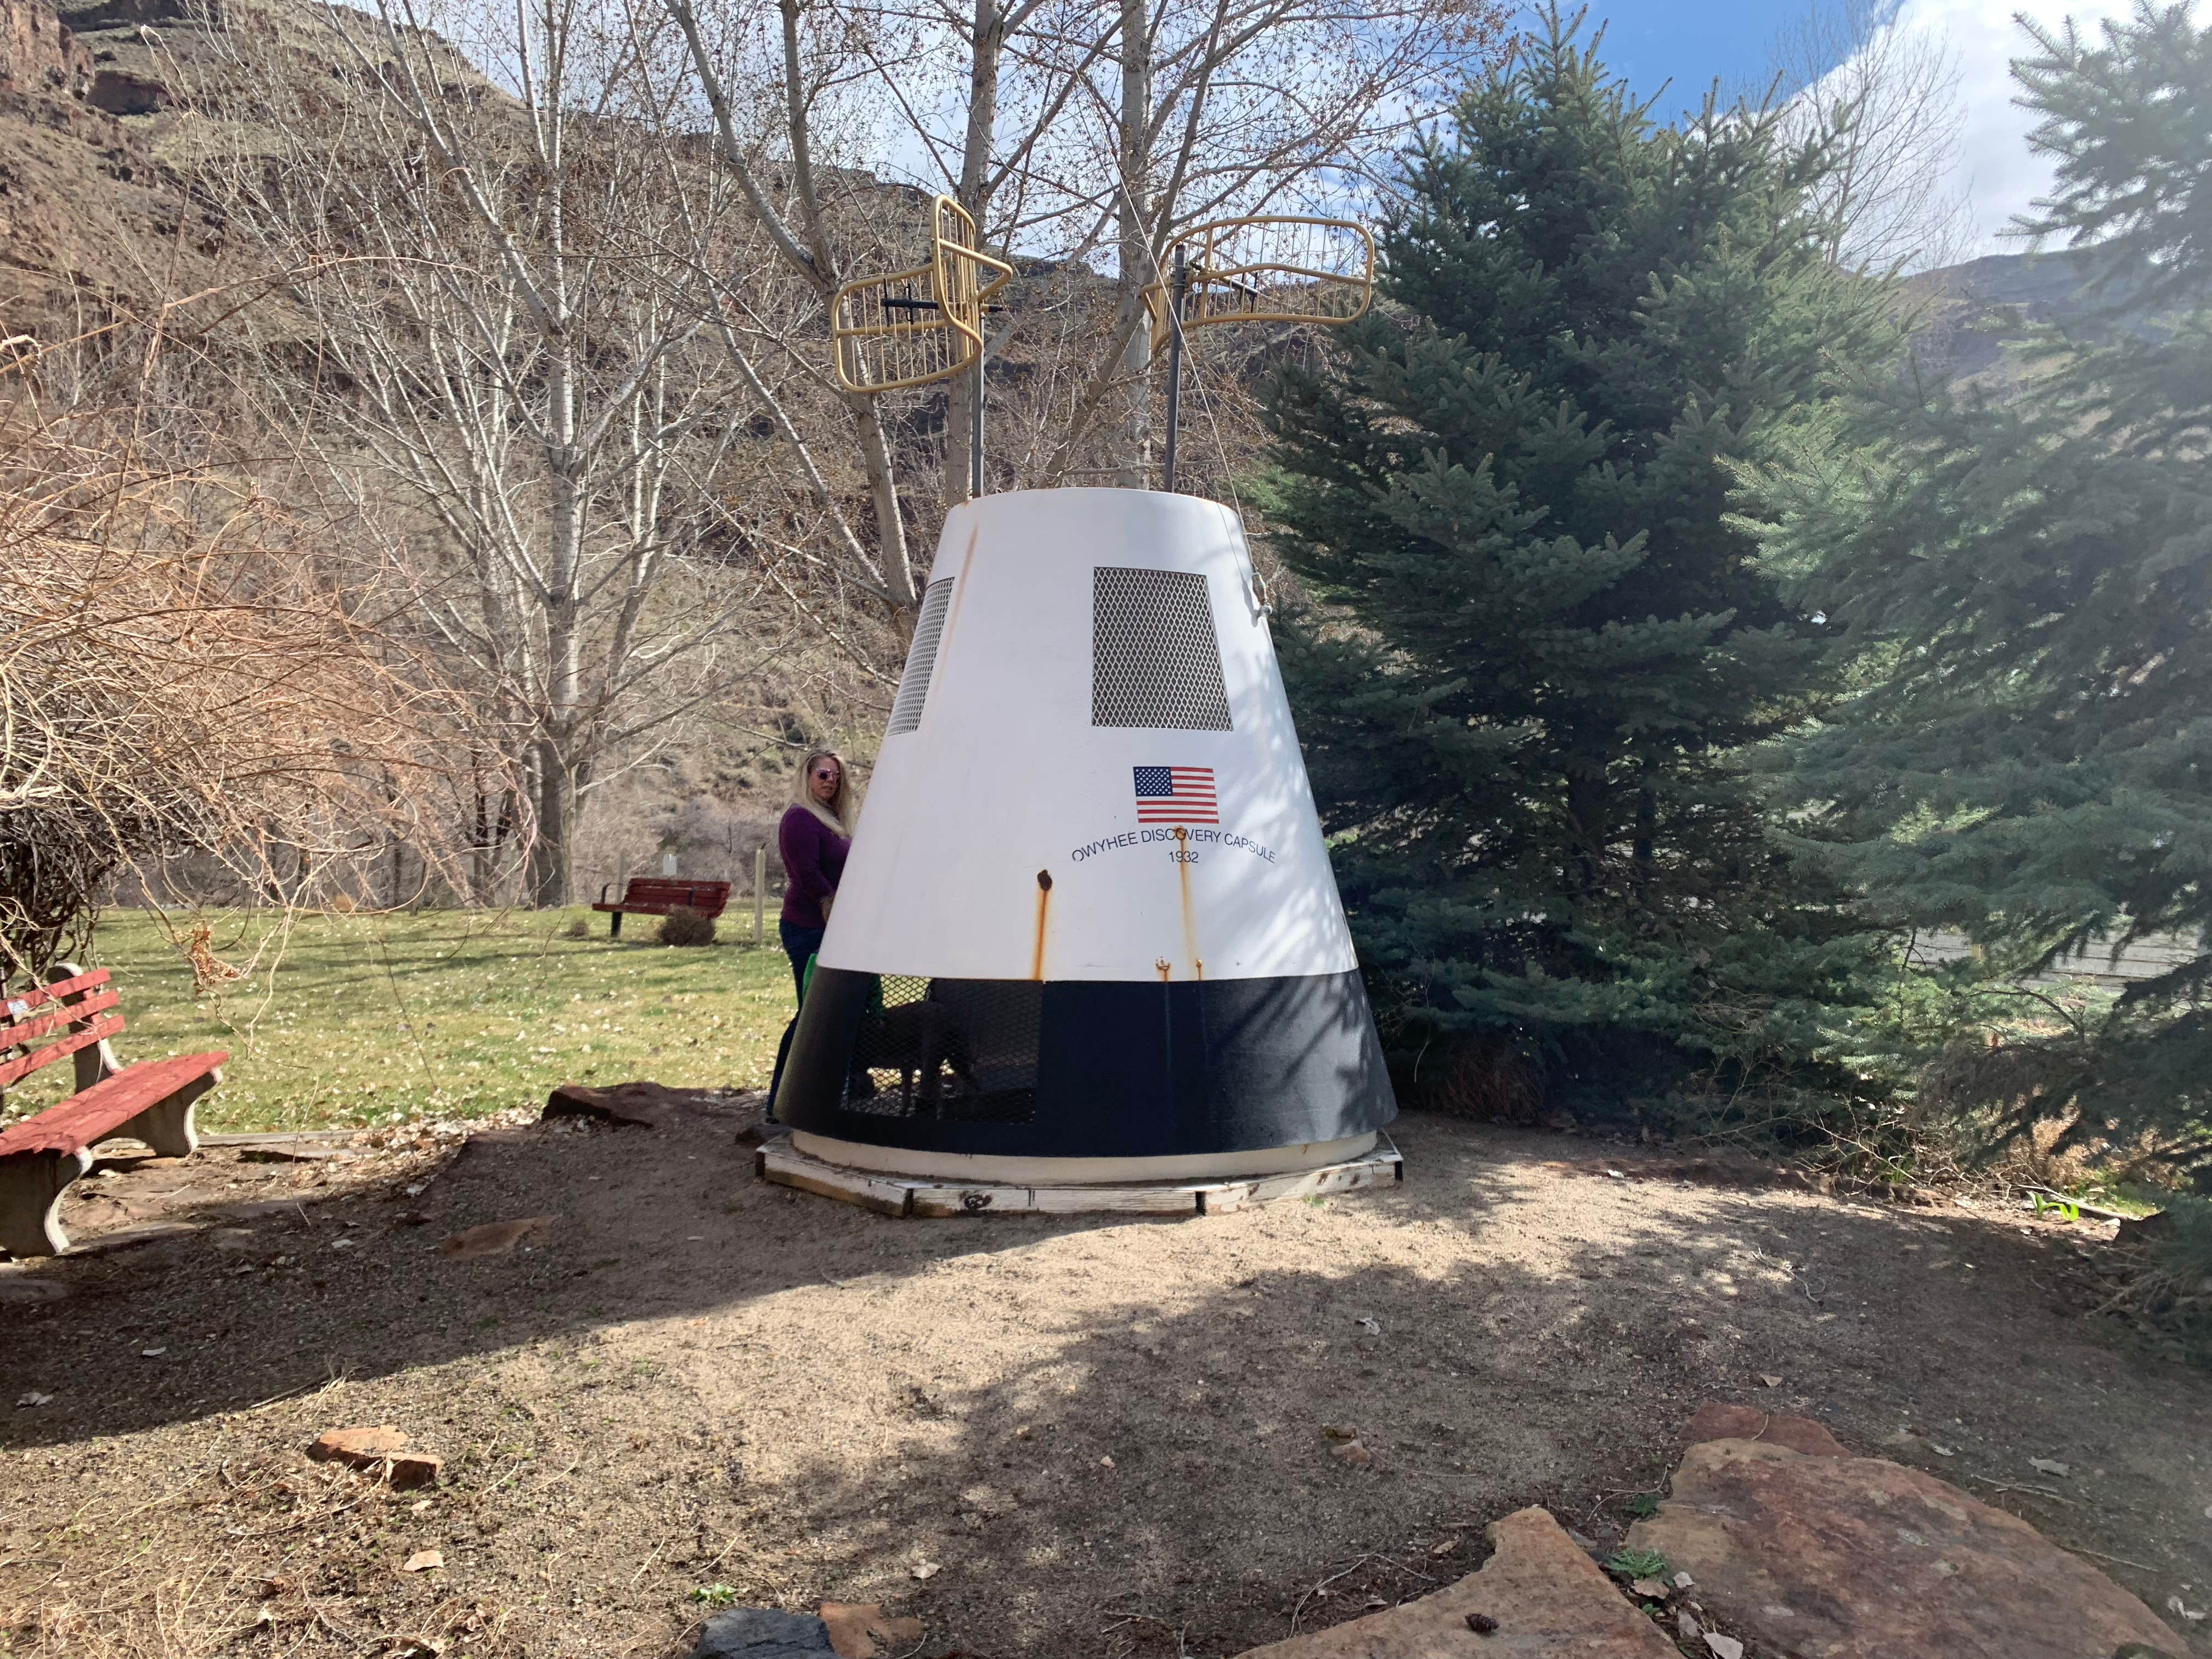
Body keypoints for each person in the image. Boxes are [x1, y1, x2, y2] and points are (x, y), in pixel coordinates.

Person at [777, 749, 854, 1005]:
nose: (830, 780)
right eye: (823, 774)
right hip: (807, 927)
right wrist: (829, 902)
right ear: (807, 777)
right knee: (813, 1012)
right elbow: (806, 873)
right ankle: (793, 1047)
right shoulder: (800, 818)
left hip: (833, 927)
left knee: (834, 1009)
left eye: (836, 776)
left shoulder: (832, 819)